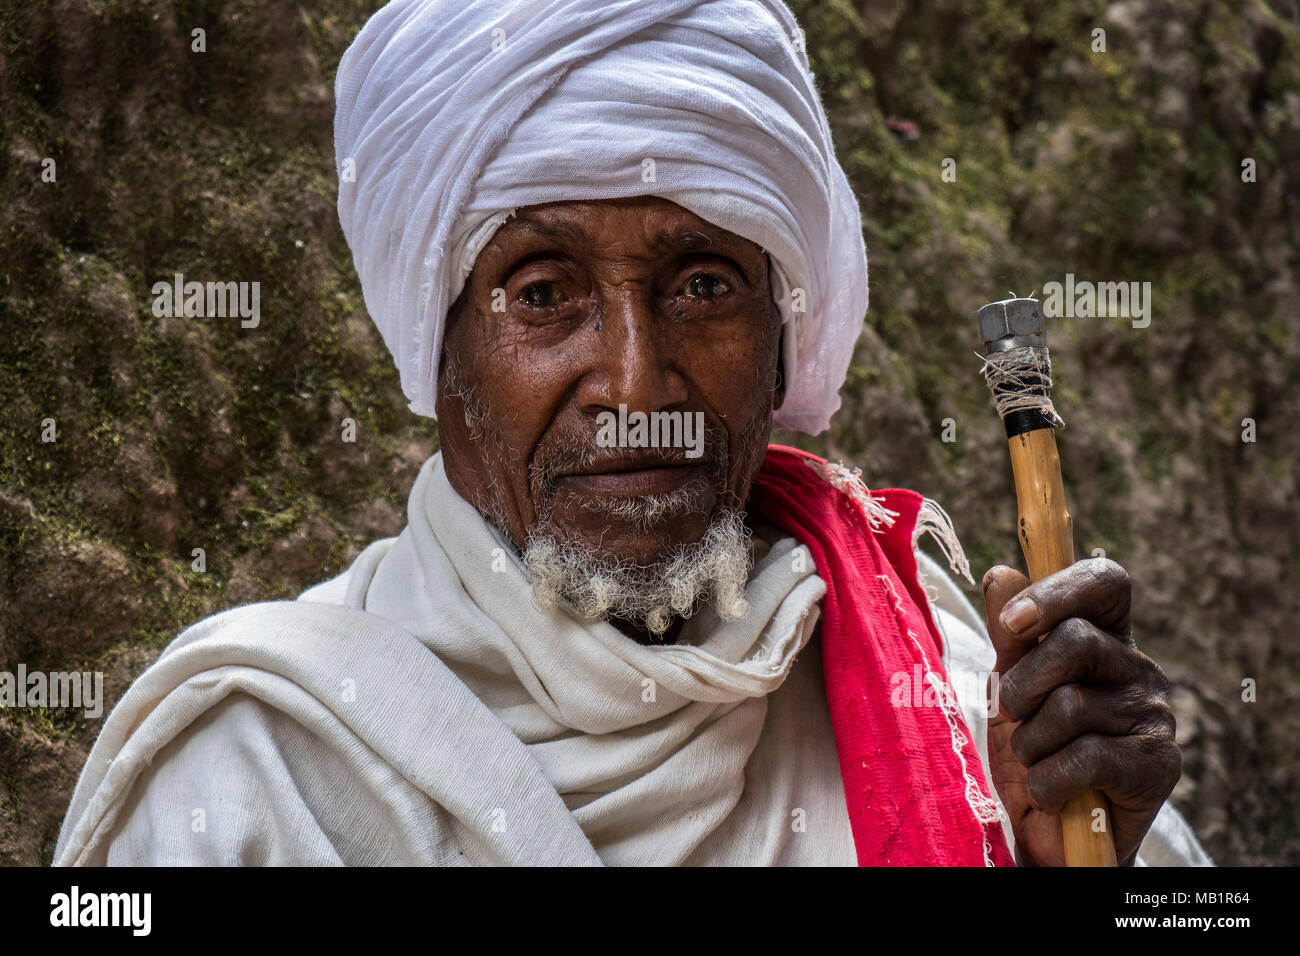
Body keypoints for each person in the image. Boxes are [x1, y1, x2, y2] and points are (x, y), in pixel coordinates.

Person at [54, 0, 1209, 867]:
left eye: (702, 284)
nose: (634, 377)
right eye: (543, 292)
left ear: (778, 341)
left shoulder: (972, 721)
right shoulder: (256, 771)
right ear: (437, 347)